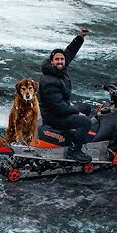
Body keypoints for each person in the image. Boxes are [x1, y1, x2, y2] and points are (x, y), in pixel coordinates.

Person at [37, 28, 95, 162]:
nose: (60, 61)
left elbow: (69, 52)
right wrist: (76, 112)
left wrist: (80, 38)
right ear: (52, 62)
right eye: (56, 59)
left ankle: (74, 136)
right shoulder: (49, 81)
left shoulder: (59, 70)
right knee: (85, 121)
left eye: (61, 59)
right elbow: (60, 108)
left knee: (86, 108)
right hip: (54, 118)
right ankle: (73, 151)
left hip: (60, 111)